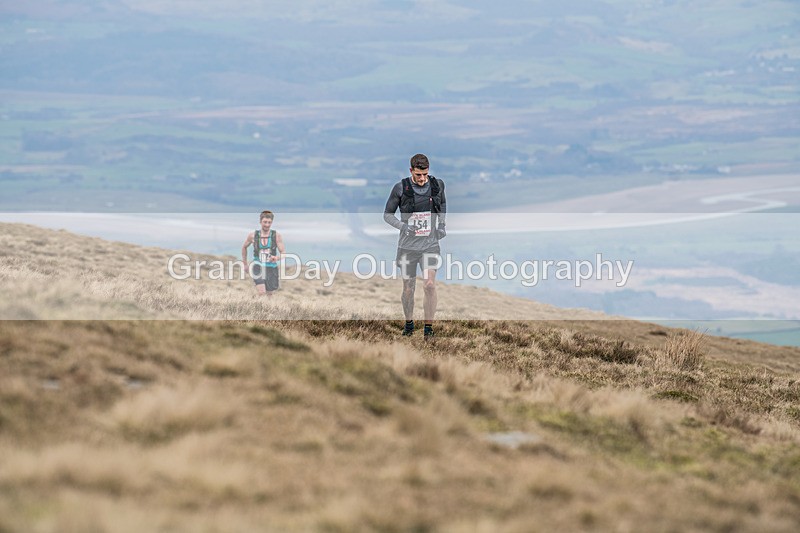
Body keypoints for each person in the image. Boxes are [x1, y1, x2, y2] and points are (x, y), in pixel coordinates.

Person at [383, 153, 447, 338]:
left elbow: (442, 203)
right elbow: (387, 215)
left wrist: (441, 225)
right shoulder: (400, 188)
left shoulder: (437, 185)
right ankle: (409, 324)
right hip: (407, 247)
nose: (422, 178)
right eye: (418, 175)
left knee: (429, 285)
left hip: (430, 245)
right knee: (409, 288)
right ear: (411, 171)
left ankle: (428, 329)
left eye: (425, 174)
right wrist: (404, 227)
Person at [242, 210, 285, 296]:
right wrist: (245, 264)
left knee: (269, 294)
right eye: (265, 222)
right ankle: (258, 308)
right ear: (260, 221)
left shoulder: (276, 235)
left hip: (271, 267)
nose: (267, 225)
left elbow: (283, 252)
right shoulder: (253, 235)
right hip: (257, 266)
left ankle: (267, 308)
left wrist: (277, 258)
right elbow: (244, 247)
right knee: (261, 292)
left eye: (269, 222)